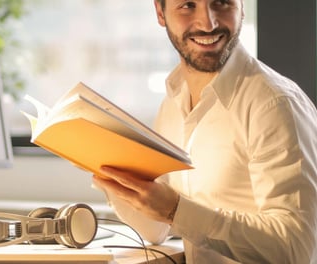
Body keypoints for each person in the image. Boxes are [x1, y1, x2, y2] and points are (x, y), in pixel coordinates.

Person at [92, 0, 317, 263]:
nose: (208, 23)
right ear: (160, 13)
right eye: (188, 5)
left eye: (222, 3)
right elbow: (157, 228)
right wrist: (105, 168)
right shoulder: (173, 103)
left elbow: (296, 248)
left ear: (242, 7)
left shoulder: (275, 104)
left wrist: (177, 210)